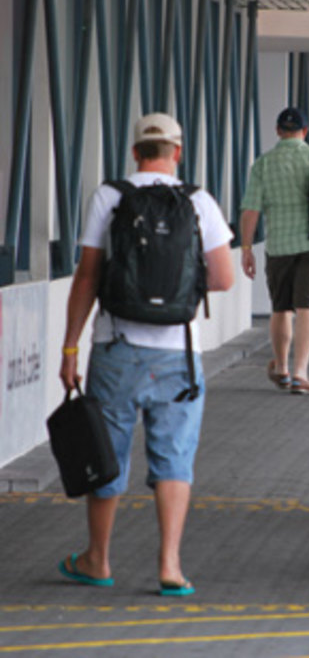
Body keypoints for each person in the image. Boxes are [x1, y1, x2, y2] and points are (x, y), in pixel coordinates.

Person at [58, 112, 234, 595]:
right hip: (180, 351)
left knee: (106, 454)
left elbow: (87, 277)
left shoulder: (111, 196)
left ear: (136, 151)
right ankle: (170, 566)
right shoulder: (198, 201)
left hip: (115, 348)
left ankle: (97, 559)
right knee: (174, 457)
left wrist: (71, 346)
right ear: (177, 153)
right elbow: (223, 278)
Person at [239, 106, 309, 395]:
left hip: (278, 246)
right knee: (307, 307)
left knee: (280, 308)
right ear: (305, 131)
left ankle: (282, 367)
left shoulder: (263, 163)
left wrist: (246, 248)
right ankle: (301, 372)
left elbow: (250, 210)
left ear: (277, 131)